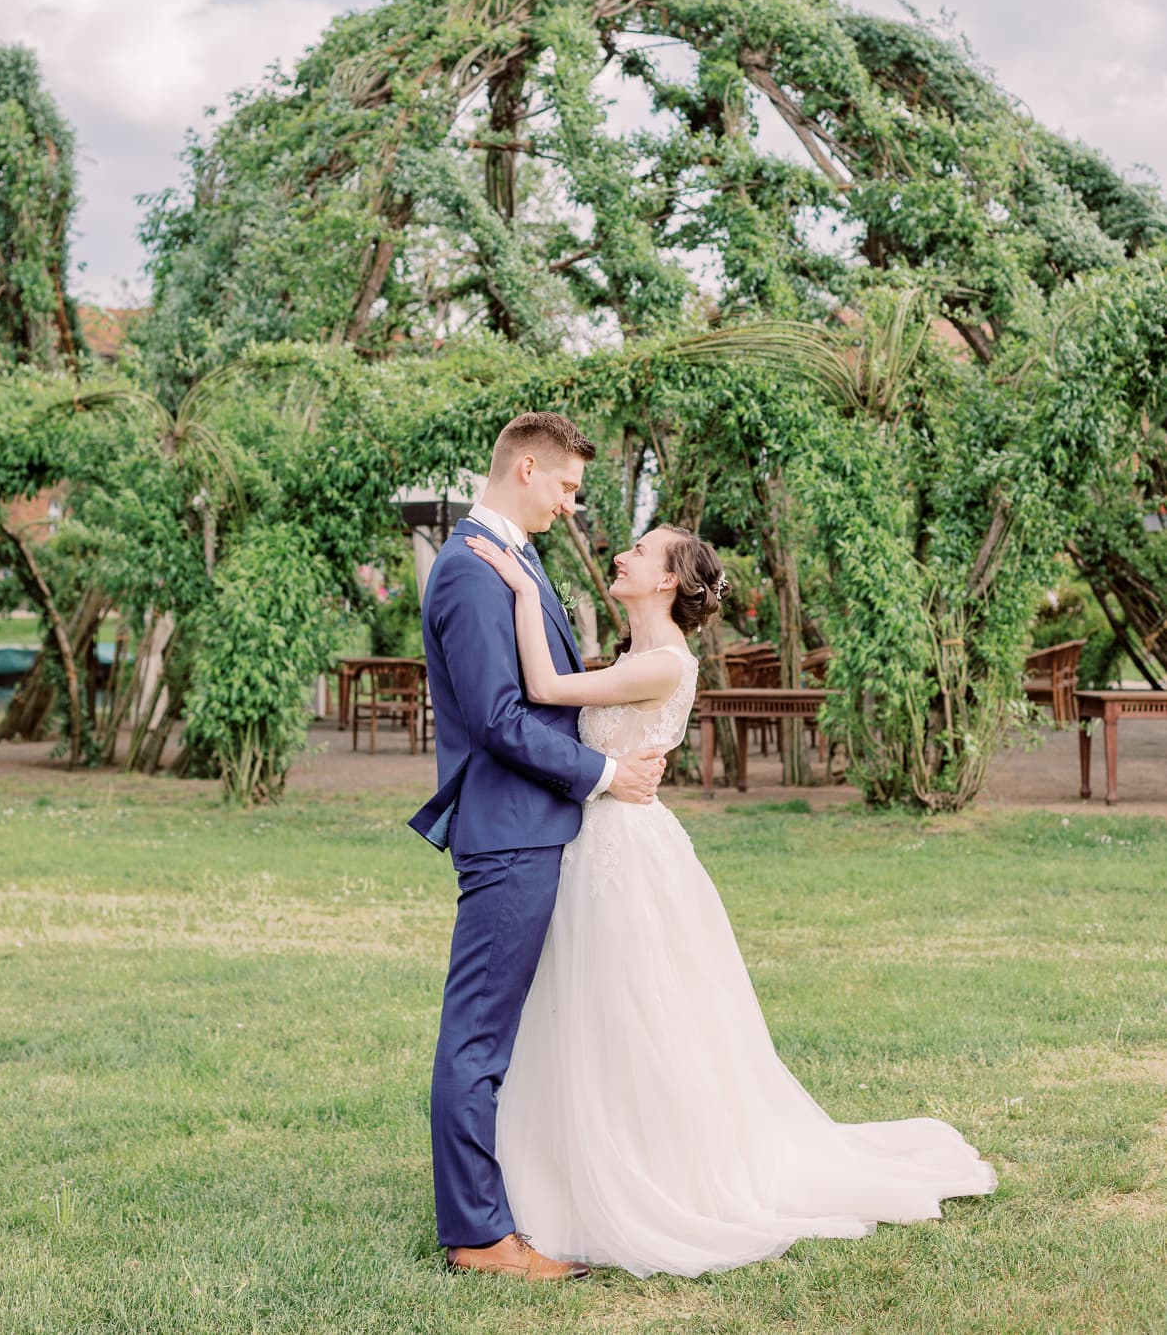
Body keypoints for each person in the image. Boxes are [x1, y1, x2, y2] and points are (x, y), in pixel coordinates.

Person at [466, 520, 998, 1279]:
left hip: (625, 854)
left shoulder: (662, 663)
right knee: (586, 1010)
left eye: (641, 551)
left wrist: (520, 584)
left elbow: (545, 691)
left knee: (635, 1012)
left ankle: (655, 1171)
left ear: (666, 581)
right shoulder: (634, 654)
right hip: (599, 841)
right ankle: (564, 1171)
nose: (623, 553)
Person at [408, 412, 666, 1282]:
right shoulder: (470, 574)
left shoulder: (509, 562)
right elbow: (499, 717)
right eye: (566, 486)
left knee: (497, 1034)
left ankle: (509, 1203)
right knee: (476, 1038)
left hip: (531, 828)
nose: (571, 504)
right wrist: (602, 772)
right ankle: (480, 1237)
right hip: (511, 831)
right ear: (526, 468)